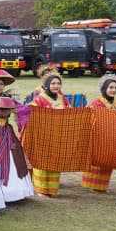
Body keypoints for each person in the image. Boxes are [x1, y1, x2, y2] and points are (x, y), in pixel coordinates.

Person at [28, 66, 70, 197]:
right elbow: (31, 117)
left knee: (55, 161)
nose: (56, 86)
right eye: (53, 83)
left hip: (58, 135)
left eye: (58, 83)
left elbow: (70, 113)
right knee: (41, 161)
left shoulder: (63, 99)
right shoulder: (39, 99)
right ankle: (41, 189)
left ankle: (52, 189)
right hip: (43, 135)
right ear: (46, 85)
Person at [81, 74, 116, 193]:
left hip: (112, 137)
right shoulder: (96, 103)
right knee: (98, 161)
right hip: (99, 137)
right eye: (111, 87)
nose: (113, 90)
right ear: (104, 89)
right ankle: (92, 184)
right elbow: (90, 119)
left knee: (108, 161)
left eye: (115, 87)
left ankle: (102, 186)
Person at [0, 97, 34, 202]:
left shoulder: (9, 127)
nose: (3, 112)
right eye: (0, 109)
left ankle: (12, 195)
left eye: (7, 109)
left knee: (15, 165)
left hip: (9, 150)